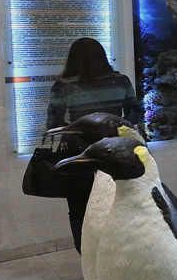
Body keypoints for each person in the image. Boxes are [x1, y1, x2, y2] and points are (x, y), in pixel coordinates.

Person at [45, 37, 140, 252]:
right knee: (120, 203)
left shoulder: (63, 86)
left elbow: (54, 124)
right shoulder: (121, 81)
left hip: (79, 154)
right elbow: (134, 114)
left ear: (72, 58)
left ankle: (87, 256)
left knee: (80, 209)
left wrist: (79, 136)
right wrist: (115, 133)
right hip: (116, 151)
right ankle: (120, 252)